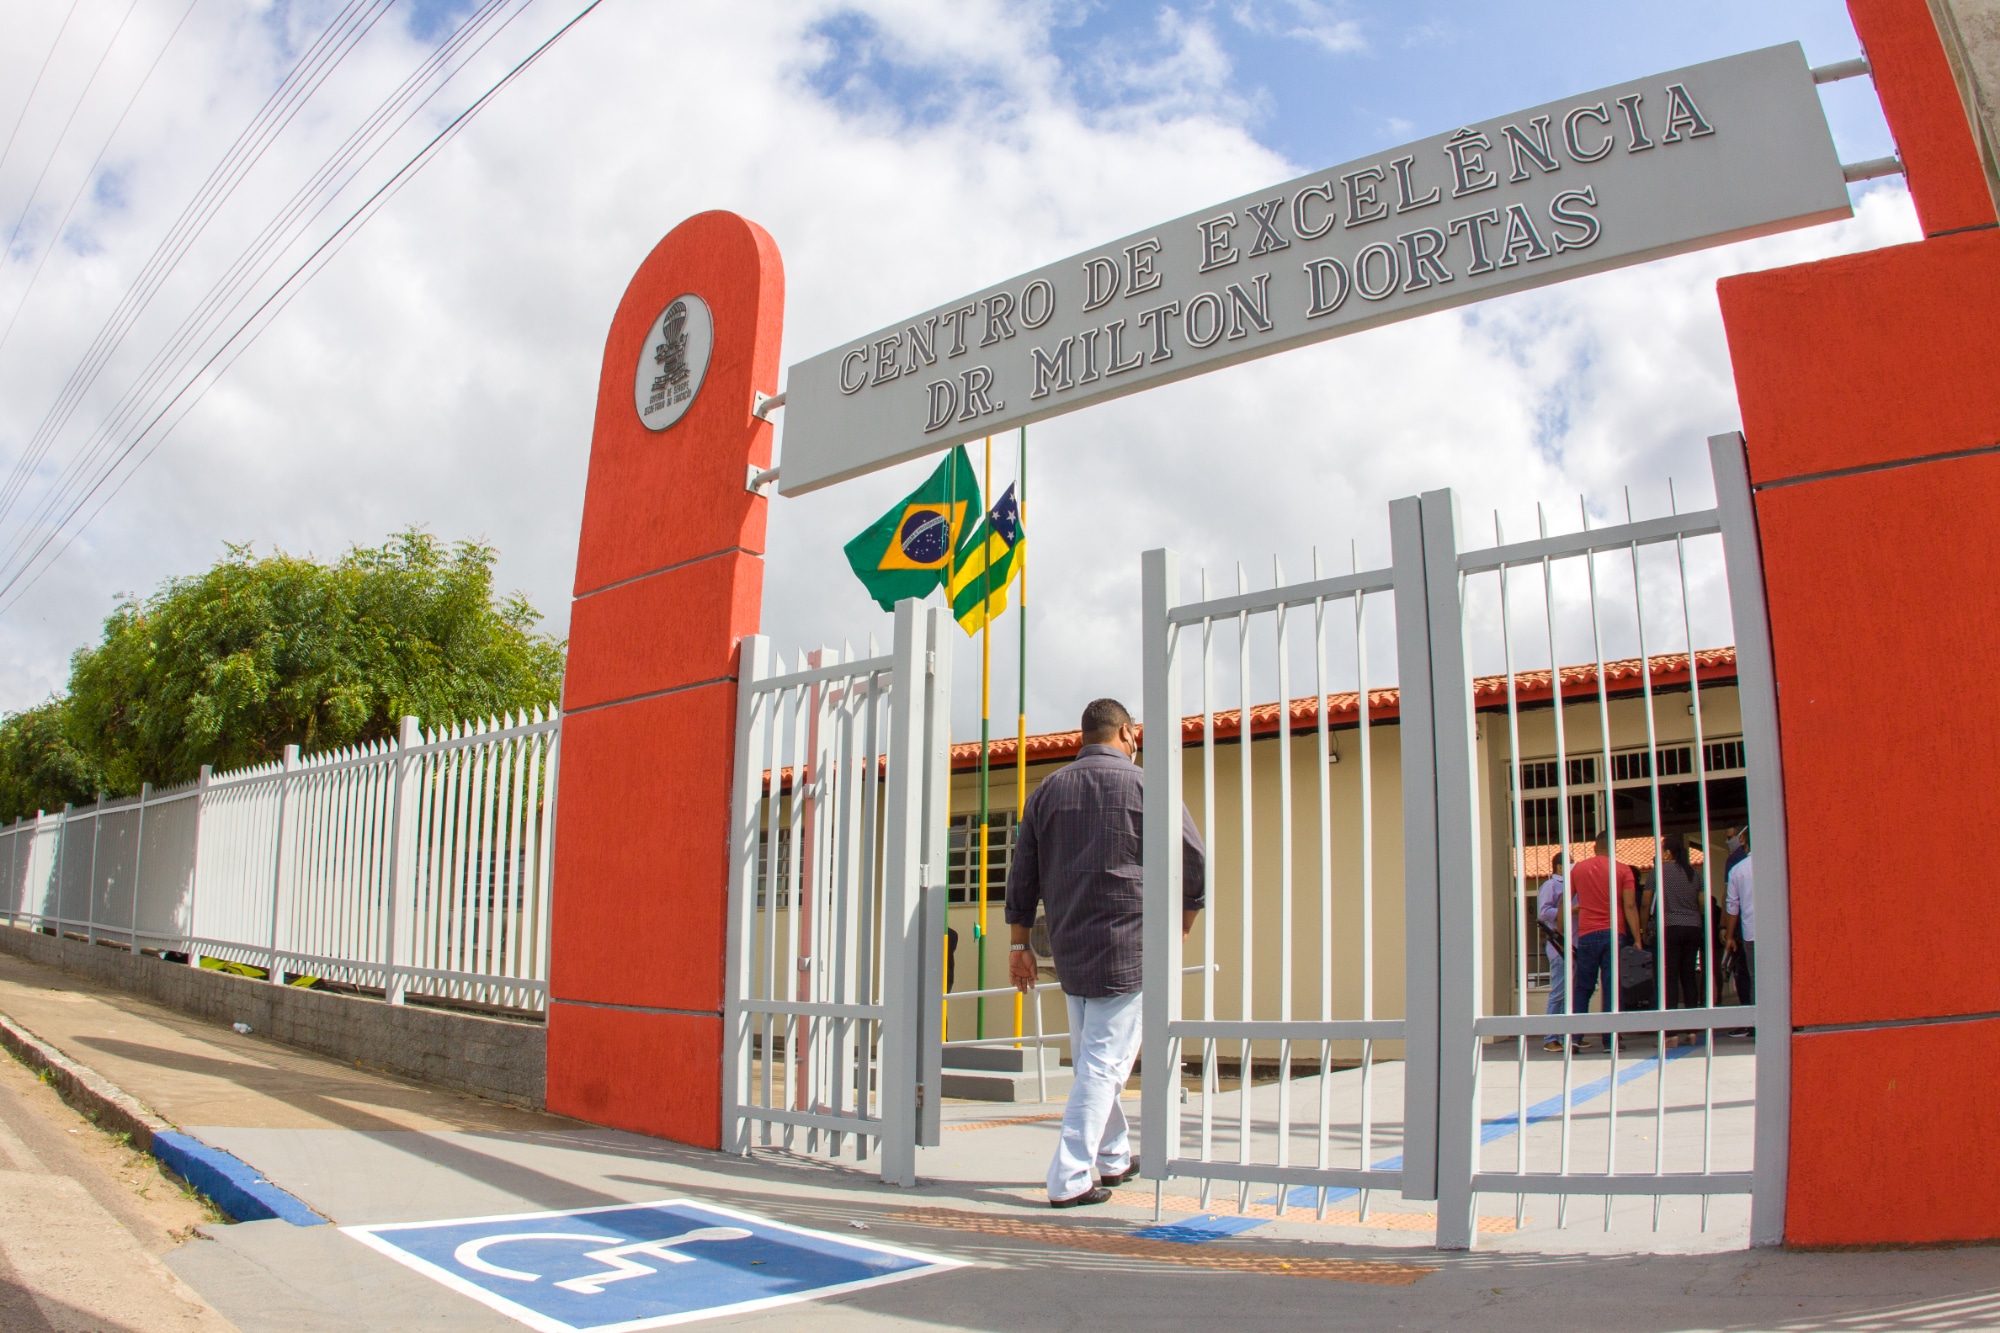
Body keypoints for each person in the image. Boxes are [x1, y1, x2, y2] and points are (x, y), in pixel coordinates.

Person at [1005, 697, 1205, 1209]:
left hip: (1069, 947)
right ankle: (1069, 1177)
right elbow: (1194, 858)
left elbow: (1022, 873)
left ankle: (1113, 1158)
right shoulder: (1145, 786)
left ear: (1082, 736)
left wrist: (1019, 944)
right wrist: (1183, 923)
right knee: (1104, 1065)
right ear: (1128, 734)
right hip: (1129, 947)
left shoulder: (1046, 792)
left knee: (1093, 1059)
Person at [1564, 830, 1639, 1032]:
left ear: (1595, 847)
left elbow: (1565, 901)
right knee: (1611, 987)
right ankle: (1611, 1039)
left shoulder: (1577, 869)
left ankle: (1576, 1037)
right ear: (1613, 848)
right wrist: (1638, 938)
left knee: (1583, 987)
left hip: (1587, 934)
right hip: (1615, 934)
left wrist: (1563, 932)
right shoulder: (1623, 870)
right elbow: (1630, 905)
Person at [1651, 833, 1706, 1046]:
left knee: (1669, 978)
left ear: (1667, 852)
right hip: (1692, 928)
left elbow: (1647, 901)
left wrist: (1645, 925)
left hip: (1669, 928)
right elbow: (1701, 902)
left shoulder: (1659, 872)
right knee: (1689, 977)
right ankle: (1692, 1031)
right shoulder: (1694, 873)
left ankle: (1671, 1033)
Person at [1537, 854, 1581, 1054]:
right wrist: (1569, 911)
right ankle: (1550, 1037)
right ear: (1560, 867)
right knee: (1559, 991)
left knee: (1570, 993)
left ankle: (1566, 1036)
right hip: (1559, 944)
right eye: (1570, 862)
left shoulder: (1573, 884)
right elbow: (1544, 912)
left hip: (1573, 943)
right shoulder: (1551, 886)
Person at [1725, 828, 1755, 1032]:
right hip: (1778, 934)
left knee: (1755, 978)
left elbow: (1732, 907)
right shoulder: (1777, 865)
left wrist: (1729, 936)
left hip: (1751, 932)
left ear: (1744, 841)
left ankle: (1756, 1025)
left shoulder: (1738, 870)